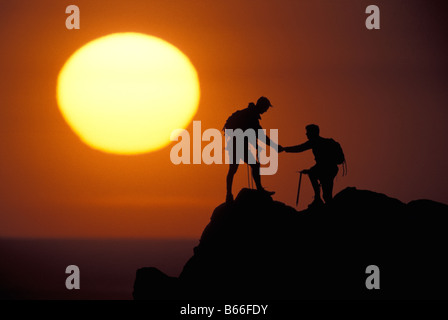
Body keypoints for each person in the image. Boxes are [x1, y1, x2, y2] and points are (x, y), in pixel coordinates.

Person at [223, 96, 281, 203]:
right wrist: (275, 146)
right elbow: (261, 135)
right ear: (262, 106)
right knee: (252, 166)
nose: (266, 110)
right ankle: (258, 190)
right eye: (266, 108)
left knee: (233, 169)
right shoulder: (251, 116)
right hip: (238, 144)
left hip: (235, 144)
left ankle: (229, 194)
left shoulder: (249, 113)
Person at [279, 124, 341, 208]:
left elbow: (299, 148)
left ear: (313, 133)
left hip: (327, 169)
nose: (306, 134)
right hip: (331, 169)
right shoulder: (322, 142)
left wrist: (284, 149)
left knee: (325, 193)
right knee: (326, 193)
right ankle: (318, 199)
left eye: (307, 132)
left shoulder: (315, 142)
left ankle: (318, 199)